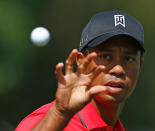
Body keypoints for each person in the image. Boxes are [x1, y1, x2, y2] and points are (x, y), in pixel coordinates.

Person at [15, 10, 145, 131]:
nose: (118, 69)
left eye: (128, 59)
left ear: (140, 65)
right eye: (106, 56)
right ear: (81, 61)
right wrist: (60, 114)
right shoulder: (49, 120)